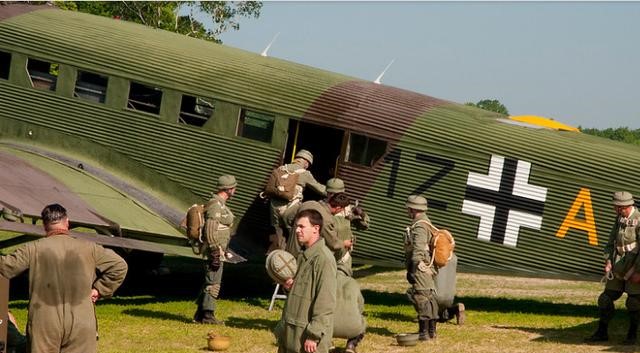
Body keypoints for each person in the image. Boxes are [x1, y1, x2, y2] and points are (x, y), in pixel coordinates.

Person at [0, 204, 128, 353]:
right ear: (67, 222)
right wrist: (99, 290)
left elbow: (5, 267)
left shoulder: (32, 249)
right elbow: (119, 266)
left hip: (45, 321)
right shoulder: (90, 248)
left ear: (44, 225)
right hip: (81, 320)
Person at [277, 209, 336, 353]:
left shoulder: (323, 259)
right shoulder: (303, 256)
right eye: (296, 226)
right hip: (292, 333)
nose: (297, 230)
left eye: (302, 227)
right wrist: (290, 286)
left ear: (316, 229)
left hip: (307, 339)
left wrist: (314, 334)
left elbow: (326, 301)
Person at [587, 191, 640, 344]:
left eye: (616, 207)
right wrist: (608, 261)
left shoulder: (638, 219)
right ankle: (602, 332)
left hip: (634, 266)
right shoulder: (619, 219)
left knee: (634, 302)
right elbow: (611, 242)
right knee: (604, 299)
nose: (614, 209)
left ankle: (632, 334)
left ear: (624, 207)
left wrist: (638, 271)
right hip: (618, 265)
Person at [194, 175, 237, 325]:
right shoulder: (215, 205)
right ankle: (208, 316)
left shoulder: (221, 204)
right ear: (228, 189)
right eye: (234, 188)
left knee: (210, 281)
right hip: (214, 250)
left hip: (218, 250)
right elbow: (211, 229)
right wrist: (214, 252)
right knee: (213, 283)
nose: (235, 190)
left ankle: (200, 314)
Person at [270, 150, 327, 253]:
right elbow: (320, 189)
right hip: (291, 207)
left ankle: (275, 256)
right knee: (295, 234)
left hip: (274, 207)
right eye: (308, 164)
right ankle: (291, 257)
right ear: (305, 162)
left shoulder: (281, 168)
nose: (307, 166)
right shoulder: (305, 173)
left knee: (278, 235)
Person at [403, 195, 439, 341]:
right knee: (430, 298)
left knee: (421, 298)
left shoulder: (419, 226)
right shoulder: (426, 222)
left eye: (408, 208)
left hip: (420, 267)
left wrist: (412, 269)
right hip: (426, 267)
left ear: (412, 209)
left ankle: (424, 333)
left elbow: (418, 250)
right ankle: (431, 331)